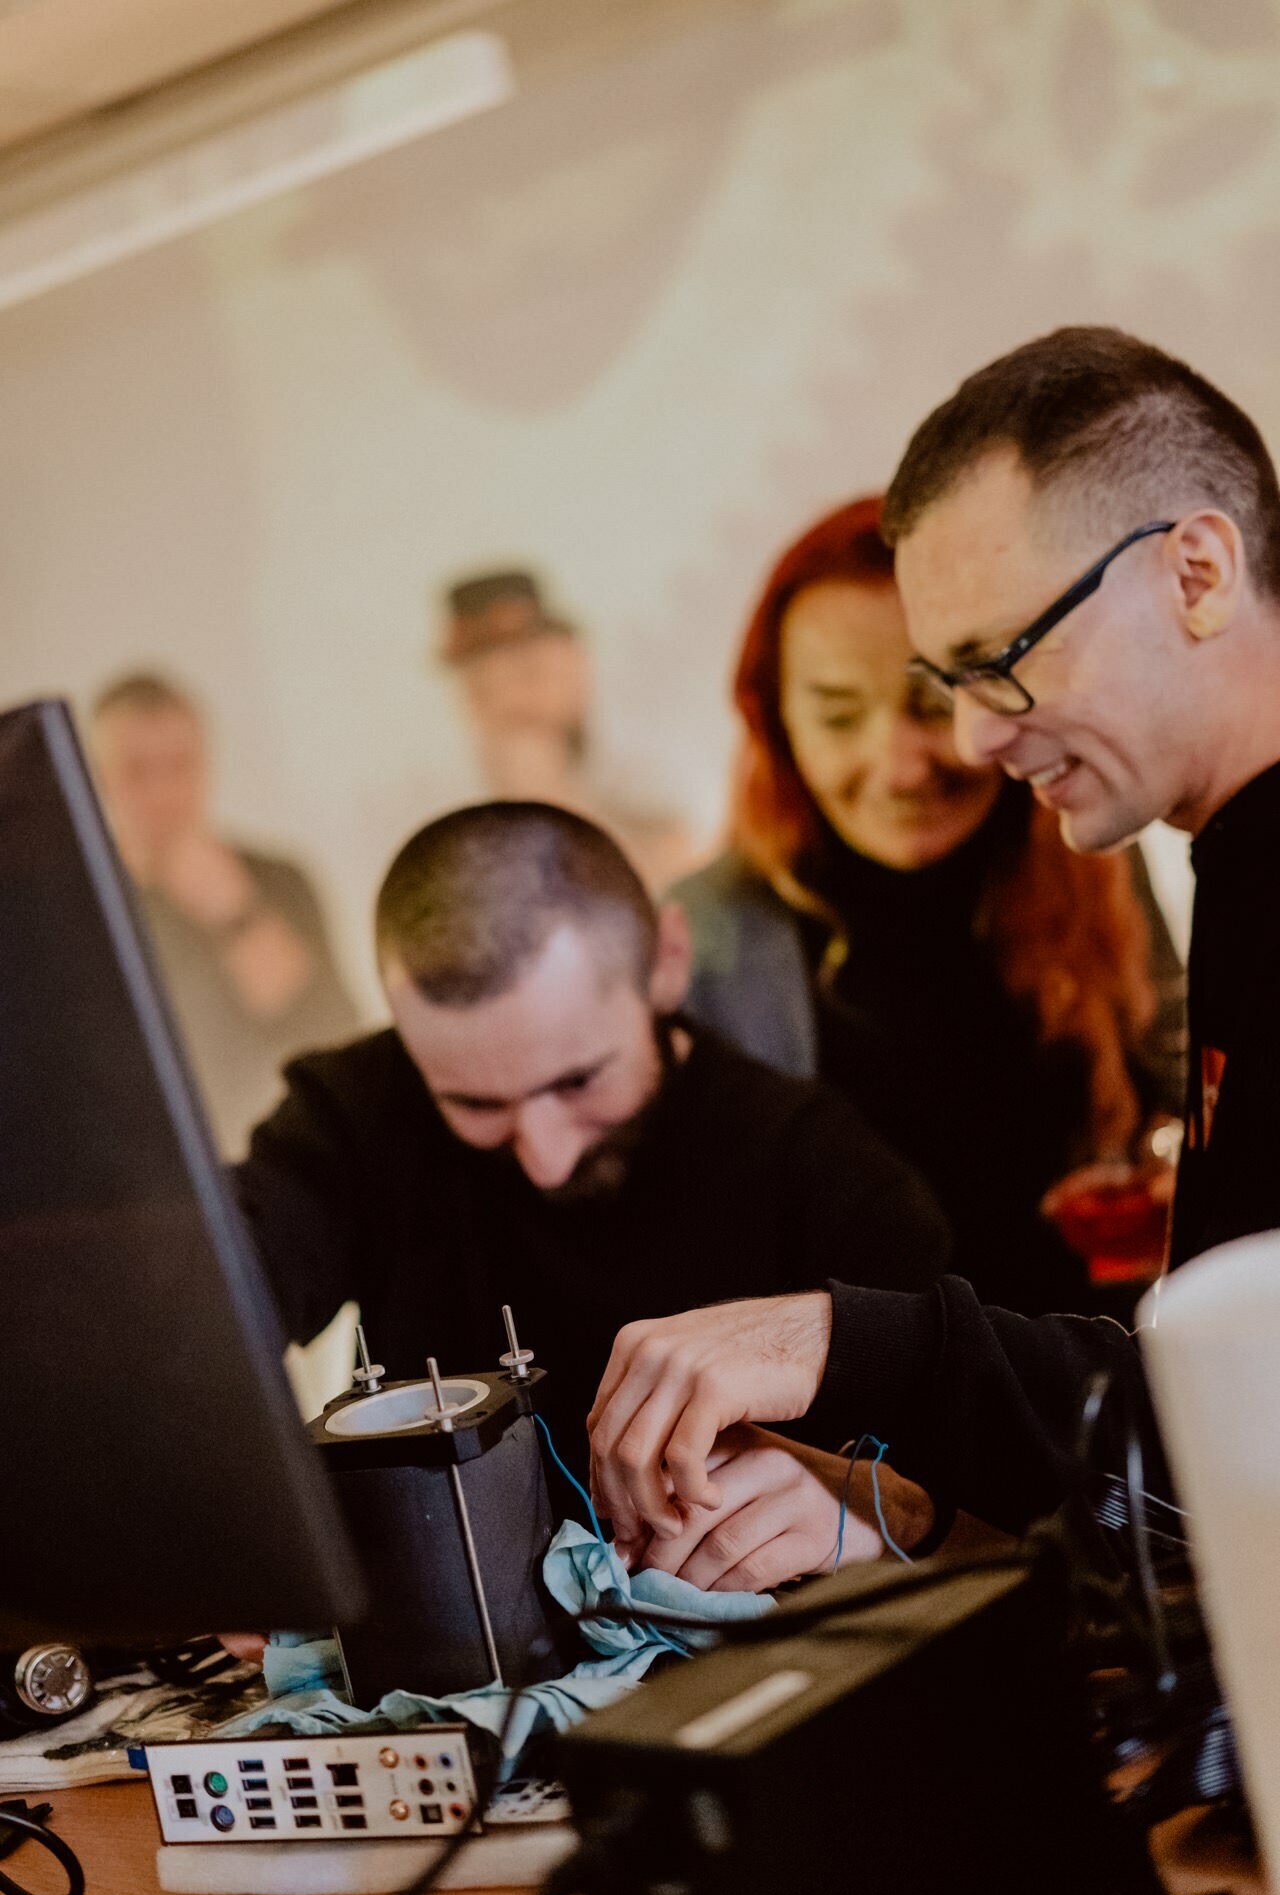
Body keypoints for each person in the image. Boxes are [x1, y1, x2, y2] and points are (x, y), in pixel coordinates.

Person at [588, 325, 1280, 1552]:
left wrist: (855, 1346)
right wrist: (899, 1511)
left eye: (999, 661)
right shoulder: (1226, 859)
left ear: (1196, 573)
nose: (963, 743)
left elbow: (1250, 1418)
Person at [235, 801, 945, 1590]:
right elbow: (201, 1312)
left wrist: (879, 1510)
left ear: (666, 962)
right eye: (474, 1104)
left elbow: (964, 1489)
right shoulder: (350, 1114)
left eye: (578, 1081)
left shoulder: (829, 1172)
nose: (544, 1156)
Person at [673, 497, 1184, 1312]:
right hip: (859, 1429)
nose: (900, 767)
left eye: (932, 705)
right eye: (840, 716)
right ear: (776, 724)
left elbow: (1177, 1082)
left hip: (1099, 1377)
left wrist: (1168, 1164)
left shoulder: (1090, 857)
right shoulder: (706, 940)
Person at [91, 673, 359, 1156]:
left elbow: (332, 1040)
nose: (162, 792)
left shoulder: (280, 880)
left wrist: (235, 913)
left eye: (179, 765)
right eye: (137, 770)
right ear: (99, 778)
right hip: (148, 1172)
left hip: (285, 1155)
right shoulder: (82, 906)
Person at [438, 570, 698, 893]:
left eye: (532, 668)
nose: (516, 696)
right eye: (526, 670)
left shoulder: (646, 769)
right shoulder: (452, 820)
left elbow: (682, 873)